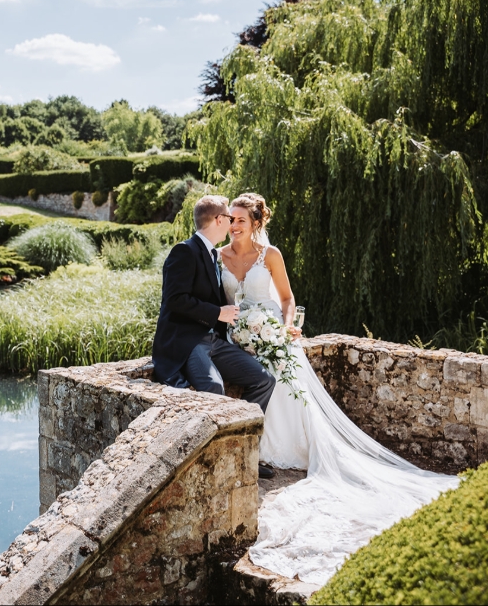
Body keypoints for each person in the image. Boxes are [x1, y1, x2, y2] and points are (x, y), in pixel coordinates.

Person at [219, 192, 458, 586]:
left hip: (272, 337)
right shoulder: (220, 257)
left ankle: (281, 447)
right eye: (231, 219)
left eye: (241, 219)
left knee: (286, 382)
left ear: (256, 222)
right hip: (234, 341)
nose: (234, 225)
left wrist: (285, 327)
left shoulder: (271, 255)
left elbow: (287, 299)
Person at [152, 194, 277, 479]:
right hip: (189, 341)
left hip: (215, 341)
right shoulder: (184, 251)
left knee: (263, 380)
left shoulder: (212, 254)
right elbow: (174, 300)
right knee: (214, 389)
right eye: (229, 219)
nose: (232, 224)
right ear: (219, 220)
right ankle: (219, 466)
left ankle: (246, 454)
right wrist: (217, 313)